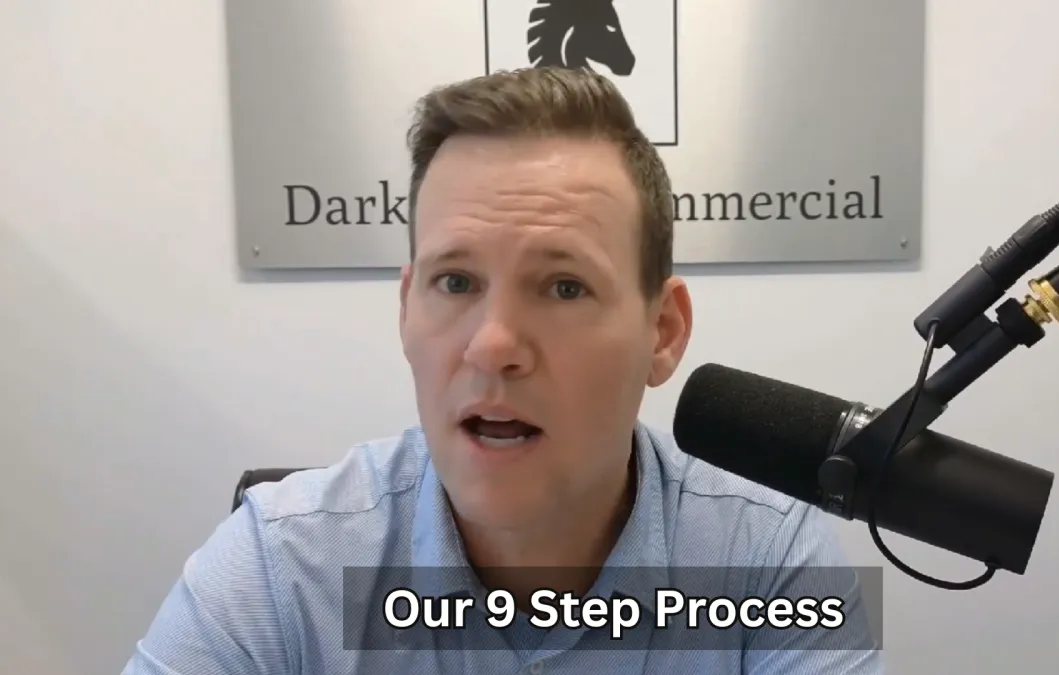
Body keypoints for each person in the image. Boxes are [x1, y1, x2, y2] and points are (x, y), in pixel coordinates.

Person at [123, 66, 883, 674]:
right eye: (455, 281)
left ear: (663, 331)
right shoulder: (282, 564)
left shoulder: (766, 557)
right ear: (406, 309)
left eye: (564, 287)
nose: (492, 345)